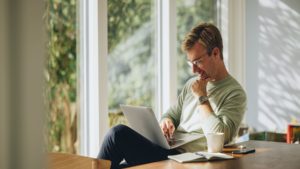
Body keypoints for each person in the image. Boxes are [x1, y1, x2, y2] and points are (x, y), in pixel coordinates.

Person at [98, 23, 247, 169]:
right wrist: (166, 122)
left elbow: (218, 139)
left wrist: (202, 98)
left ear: (215, 53)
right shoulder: (191, 85)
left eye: (198, 62)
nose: (194, 70)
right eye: (191, 63)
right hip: (169, 152)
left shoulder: (235, 94)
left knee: (117, 135)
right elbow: (171, 114)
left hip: (190, 159)